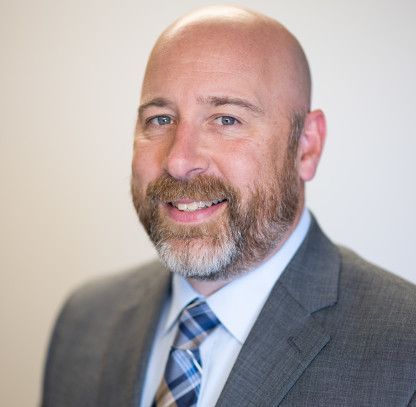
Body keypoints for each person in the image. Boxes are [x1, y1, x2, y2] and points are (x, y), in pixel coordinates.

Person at [42, 5, 416, 407]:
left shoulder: (404, 349)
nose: (180, 162)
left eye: (226, 120)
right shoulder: (82, 323)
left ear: (307, 146)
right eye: (161, 119)